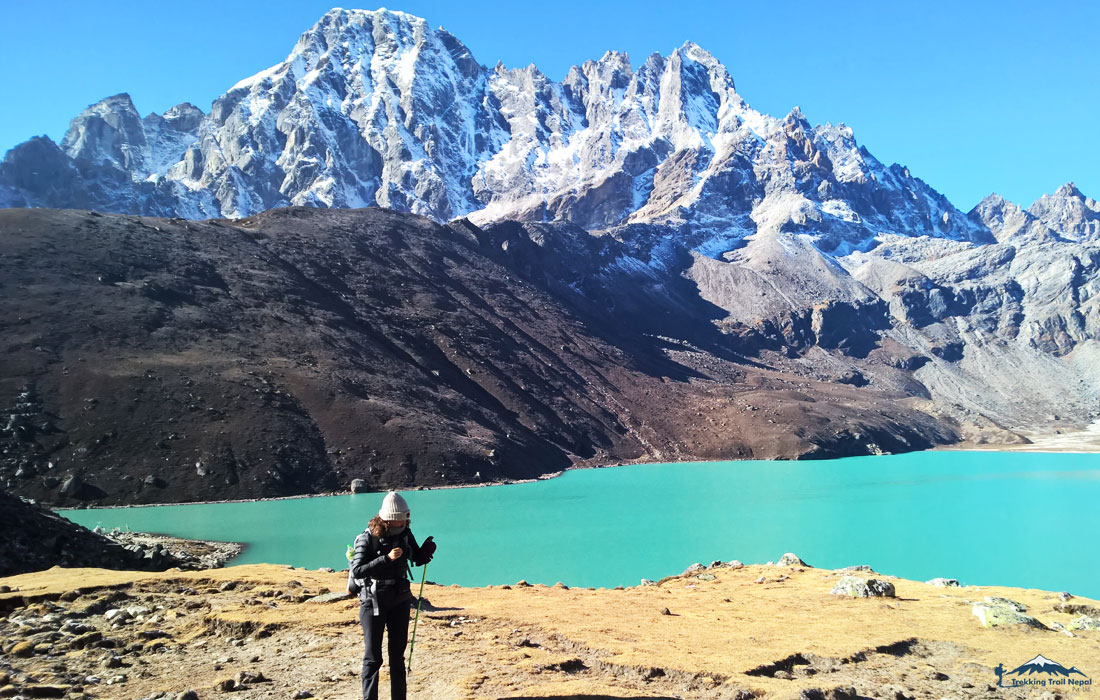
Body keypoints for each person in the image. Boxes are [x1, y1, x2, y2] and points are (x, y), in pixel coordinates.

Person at [349, 491, 436, 700]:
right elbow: (358, 570)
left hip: (400, 599)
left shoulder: (405, 533)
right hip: (373, 601)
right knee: (373, 658)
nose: (403, 524)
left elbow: (416, 558)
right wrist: (386, 559)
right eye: (399, 520)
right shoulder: (367, 538)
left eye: (405, 520)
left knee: (397, 658)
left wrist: (426, 552)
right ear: (387, 520)